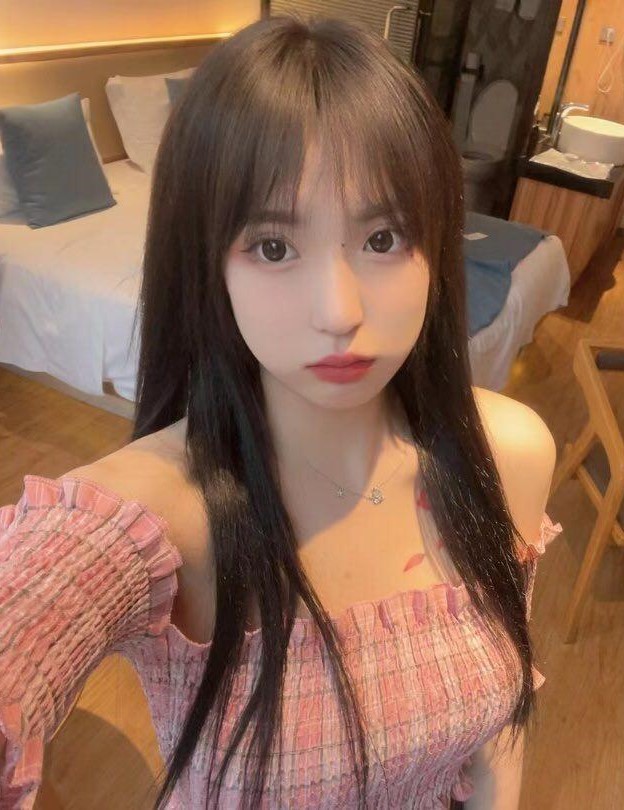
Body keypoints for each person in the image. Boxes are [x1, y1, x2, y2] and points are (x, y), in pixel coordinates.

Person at [0, 13, 563, 810]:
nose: (339, 312)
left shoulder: (509, 454)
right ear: (208, 265)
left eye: (383, 237)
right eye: (273, 246)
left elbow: (503, 727)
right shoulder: (162, 518)